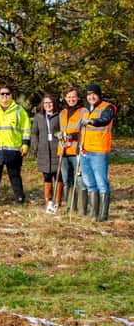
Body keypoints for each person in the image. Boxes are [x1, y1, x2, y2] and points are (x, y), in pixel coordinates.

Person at [0, 85, 31, 205]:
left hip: (13, 149)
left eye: (7, 94)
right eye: (2, 94)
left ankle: (20, 198)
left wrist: (25, 144)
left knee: (15, 175)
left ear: (11, 95)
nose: (5, 96)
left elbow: (26, 128)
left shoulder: (19, 110)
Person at [80, 84, 116, 222]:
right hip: (85, 151)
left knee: (101, 182)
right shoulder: (86, 110)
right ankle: (93, 212)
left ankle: (103, 214)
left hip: (99, 151)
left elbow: (104, 120)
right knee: (89, 182)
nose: (91, 97)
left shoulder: (108, 107)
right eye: (89, 95)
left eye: (94, 94)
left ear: (99, 95)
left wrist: (92, 121)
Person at [57, 86, 88, 214]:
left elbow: (86, 131)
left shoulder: (84, 111)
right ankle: (70, 207)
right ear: (65, 98)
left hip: (77, 151)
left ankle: (82, 209)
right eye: (69, 97)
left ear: (78, 97)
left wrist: (73, 136)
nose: (71, 99)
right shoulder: (62, 113)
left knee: (80, 180)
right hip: (63, 152)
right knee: (66, 180)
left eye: (73, 97)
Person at [31, 94, 63, 213]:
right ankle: (48, 200)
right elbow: (34, 133)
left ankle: (58, 201)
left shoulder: (59, 116)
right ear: (42, 105)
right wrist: (36, 145)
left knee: (59, 175)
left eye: (50, 103)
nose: (48, 105)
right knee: (47, 175)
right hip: (43, 150)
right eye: (46, 103)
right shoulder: (39, 117)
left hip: (56, 149)